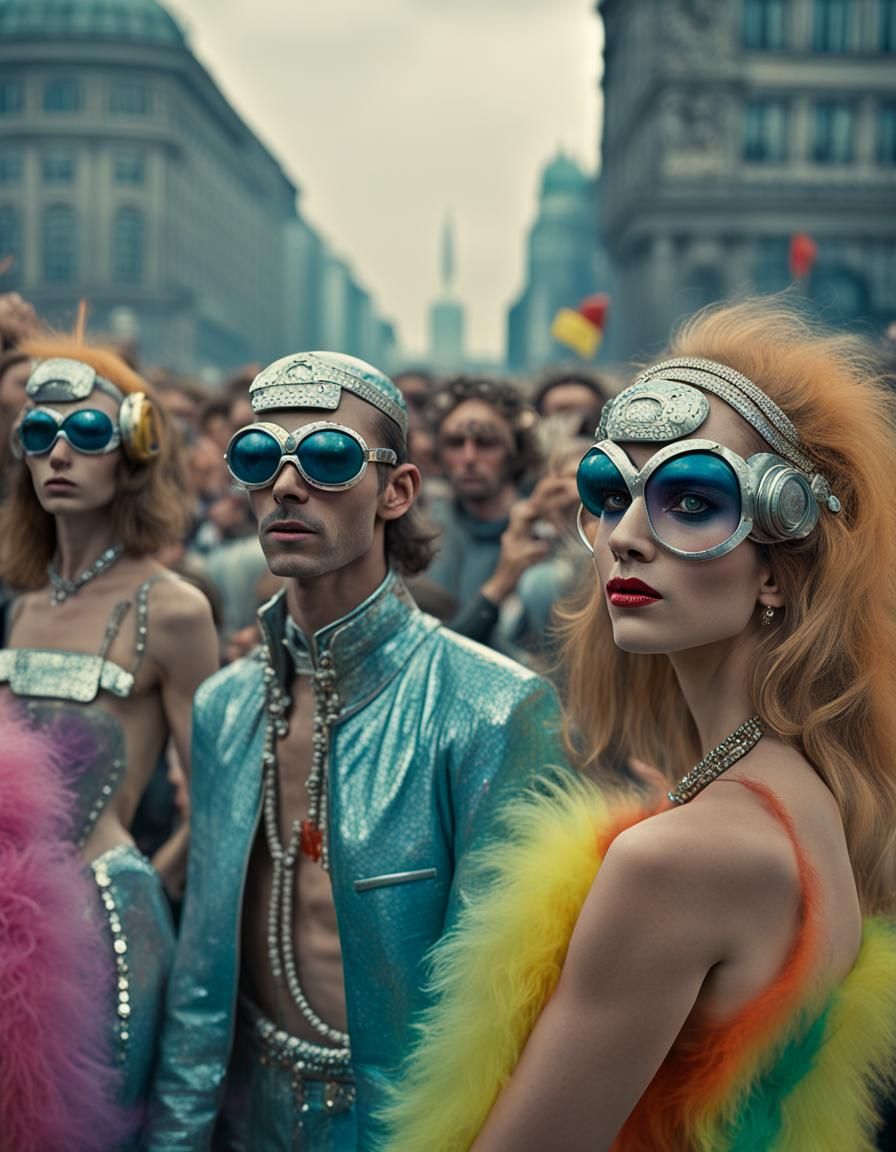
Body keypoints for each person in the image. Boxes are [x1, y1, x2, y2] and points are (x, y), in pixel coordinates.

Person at [381, 301, 896, 1151]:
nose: (624, 536)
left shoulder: (684, 857)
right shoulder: (803, 790)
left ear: (780, 564)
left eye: (689, 500)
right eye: (609, 493)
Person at [144, 351, 568, 1151]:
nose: (288, 485)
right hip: (245, 1121)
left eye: (331, 457)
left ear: (397, 491)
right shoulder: (224, 705)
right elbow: (204, 979)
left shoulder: (493, 709)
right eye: (259, 458)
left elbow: (513, 1013)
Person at [0, 340, 219, 1142]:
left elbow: (218, 812)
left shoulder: (176, 609)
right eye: (39, 435)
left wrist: (144, 888)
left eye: (87, 434)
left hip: (105, 927)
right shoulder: (21, 606)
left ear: (134, 449)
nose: (59, 454)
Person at [425, 375, 552, 646]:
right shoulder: (421, 532)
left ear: (515, 450)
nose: (469, 457)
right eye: (455, 443)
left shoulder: (546, 530)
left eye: (486, 443)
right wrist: (501, 582)